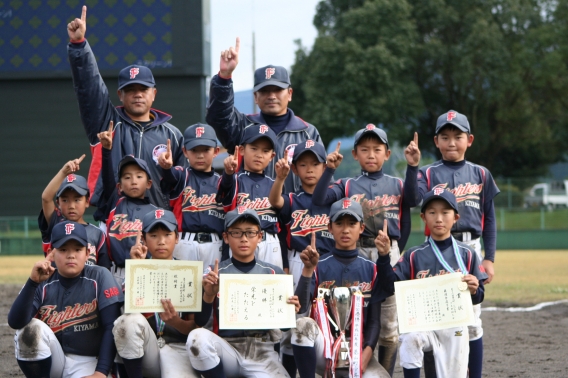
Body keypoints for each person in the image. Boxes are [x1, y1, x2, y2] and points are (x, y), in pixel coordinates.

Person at [312, 124, 421, 375]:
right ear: (355, 154)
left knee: (389, 323)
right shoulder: (347, 184)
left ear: (387, 154)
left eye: (377, 149)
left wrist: (413, 167)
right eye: (364, 149)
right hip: (356, 253)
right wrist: (329, 170)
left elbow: (411, 207)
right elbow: (319, 199)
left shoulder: (397, 183)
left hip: (387, 252)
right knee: (353, 316)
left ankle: (382, 372)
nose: (371, 154)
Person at [67, 6, 185, 214]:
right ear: (120, 95)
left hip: (157, 226)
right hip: (114, 221)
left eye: (143, 89)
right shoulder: (107, 123)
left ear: (154, 94)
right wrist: (79, 46)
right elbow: (90, 88)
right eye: (130, 90)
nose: (137, 94)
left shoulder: (172, 135)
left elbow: (182, 185)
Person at [417, 110, 499, 378]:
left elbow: (490, 219)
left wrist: (490, 258)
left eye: (458, 136)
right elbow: (410, 198)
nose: (451, 142)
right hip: (435, 248)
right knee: (433, 319)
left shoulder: (481, 173)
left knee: (473, 321)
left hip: (469, 248)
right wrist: (411, 168)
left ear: (470, 140)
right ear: (436, 141)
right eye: (445, 136)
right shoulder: (427, 173)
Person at [375, 189, 488, 378]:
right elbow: (388, 286)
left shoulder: (467, 254)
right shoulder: (413, 255)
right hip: (423, 327)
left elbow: (479, 297)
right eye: (432, 212)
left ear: (456, 217)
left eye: (445, 212)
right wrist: (384, 256)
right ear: (423, 217)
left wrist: (475, 289)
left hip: (455, 328)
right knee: (410, 338)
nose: (439, 218)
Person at [186, 207, 301, 377]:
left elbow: (284, 328)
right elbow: (201, 321)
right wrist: (208, 294)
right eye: (237, 233)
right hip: (226, 347)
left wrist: (290, 311)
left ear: (260, 236)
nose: (244, 239)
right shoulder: (214, 272)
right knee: (197, 338)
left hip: (261, 350)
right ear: (226, 237)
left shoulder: (273, 273)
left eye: (250, 232)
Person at [207, 37, 323, 193]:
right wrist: (224, 77)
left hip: (295, 214)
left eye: (277, 90)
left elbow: (323, 176)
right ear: (256, 97)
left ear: (289, 94)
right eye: (265, 91)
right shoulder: (243, 126)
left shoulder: (308, 132)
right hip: (251, 214)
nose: (271, 96)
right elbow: (218, 117)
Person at [8, 221, 123, 378]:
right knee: (29, 330)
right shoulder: (43, 280)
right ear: (52, 252)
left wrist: (101, 372)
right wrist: (32, 282)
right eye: (63, 249)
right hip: (53, 359)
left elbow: (112, 326)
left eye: (77, 249)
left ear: (88, 251)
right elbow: (15, 322)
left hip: (89, 362)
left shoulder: (100, 276)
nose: (71, 255)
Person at [291, 198, 390, 378]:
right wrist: (307, 269)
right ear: (330, 228)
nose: (345, 229)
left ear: (361, 228)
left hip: (358, 347)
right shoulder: (318, 265)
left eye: (352, 224)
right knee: (302, 325)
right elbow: (301, 307)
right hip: (324, 348)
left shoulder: (371, 268)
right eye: (339, 223)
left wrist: (366, 356)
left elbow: (375, 321)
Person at [112, 209, 199, 378]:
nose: (161, 241)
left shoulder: (189, 273)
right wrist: (137, 270)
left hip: (178, 347)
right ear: (143, 239)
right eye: (153, 235)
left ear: (177, 237)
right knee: (127, 321)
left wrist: (176, 322)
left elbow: (195, 328)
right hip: (145, 350)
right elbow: (126, 324)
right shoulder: (133, 271)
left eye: (167, 234)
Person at [157, 123, 224, 267]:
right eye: (194, 150)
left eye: (206, 150)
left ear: (216, 151)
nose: (200, 155)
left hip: (215, 243)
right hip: (185, 242)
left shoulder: (222, 182)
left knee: (212, 287)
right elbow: (170, 179)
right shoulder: (181, 175)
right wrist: (167, 169)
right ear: (185, 152)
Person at [97, 122, 157, 284]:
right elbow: (108, 178)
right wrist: (107, 151)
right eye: (127, 177)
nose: (133, 181)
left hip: (146, 272)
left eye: (139, 176)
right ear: (119, 186)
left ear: (149, 183)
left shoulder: (155, 213)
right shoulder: (115, 203)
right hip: (116, 273)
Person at [217, 124, 283, 269]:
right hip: (241, 240)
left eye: (265, 151)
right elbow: (222, 193)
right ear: (241, 150)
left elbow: (282, 223)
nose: (259, 154)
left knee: (271, 287)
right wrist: (228, 173)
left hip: (270, 242)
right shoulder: (234, 179)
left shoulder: (275, 183)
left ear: (272, 156)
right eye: (254, 148)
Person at [38, 154, 110, 269]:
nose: (71, 206)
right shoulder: (56, 223)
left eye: (77, 199)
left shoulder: (97, 234)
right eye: (65, 200)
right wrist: (63, 172)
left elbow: (104, 270)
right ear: (58, 202)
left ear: (87, 201)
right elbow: (46, 198)